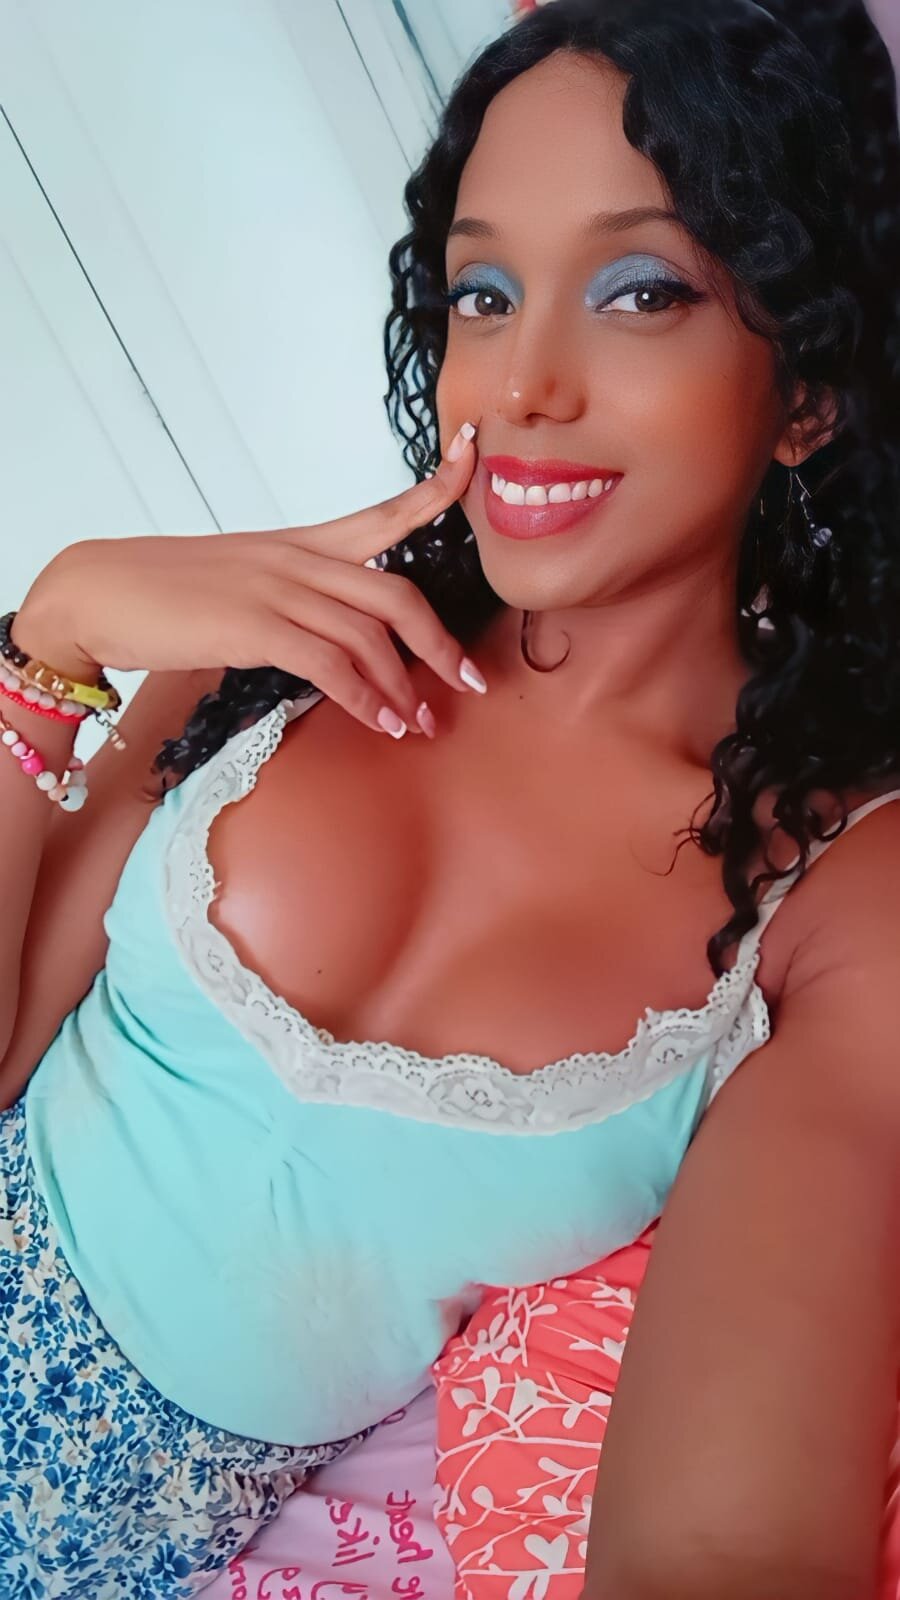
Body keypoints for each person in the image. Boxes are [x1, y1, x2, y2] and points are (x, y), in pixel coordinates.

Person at [0, 0, 898, 1593]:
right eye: (485, 292)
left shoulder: (821, 883)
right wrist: (45, 640)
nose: (523, 384)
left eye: (640, 291)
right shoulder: (286, 649)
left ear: (810, 390)